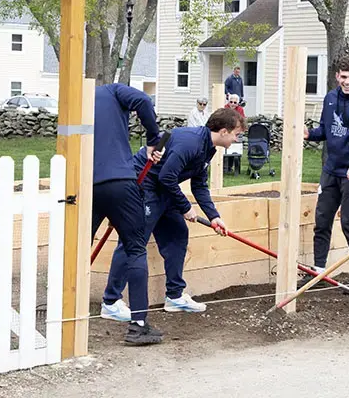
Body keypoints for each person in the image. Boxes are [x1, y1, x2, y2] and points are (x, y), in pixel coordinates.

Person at [103, 108, 245, 318]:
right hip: (142, 186)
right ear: (224, 131)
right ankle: (111, 302)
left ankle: (175, 296)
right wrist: (186, 207)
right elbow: (167, 177)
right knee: (133, 242)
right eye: (236, 134)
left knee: (177, 234)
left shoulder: (208, 148)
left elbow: (199, 185)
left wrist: (214, 216)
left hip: (163, 189)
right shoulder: (190, 143)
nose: (236, 139)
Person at [91, 83, 164, 345]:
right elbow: (144, 101)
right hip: (121, 182)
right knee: (135, 249)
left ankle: (66, 317)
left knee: (77, 252)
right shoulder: (114, 90)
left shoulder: (76, 98)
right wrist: (154, 138)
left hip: (85, 184)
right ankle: (139, 326)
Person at [300, 55, 349, 292]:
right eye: (344, 77)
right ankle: (318, 271)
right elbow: (326, 129)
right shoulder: (330, 98)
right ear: (337, 76)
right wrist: (310, 134)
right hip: (331, 169)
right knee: (322, 220)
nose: (348, 81)